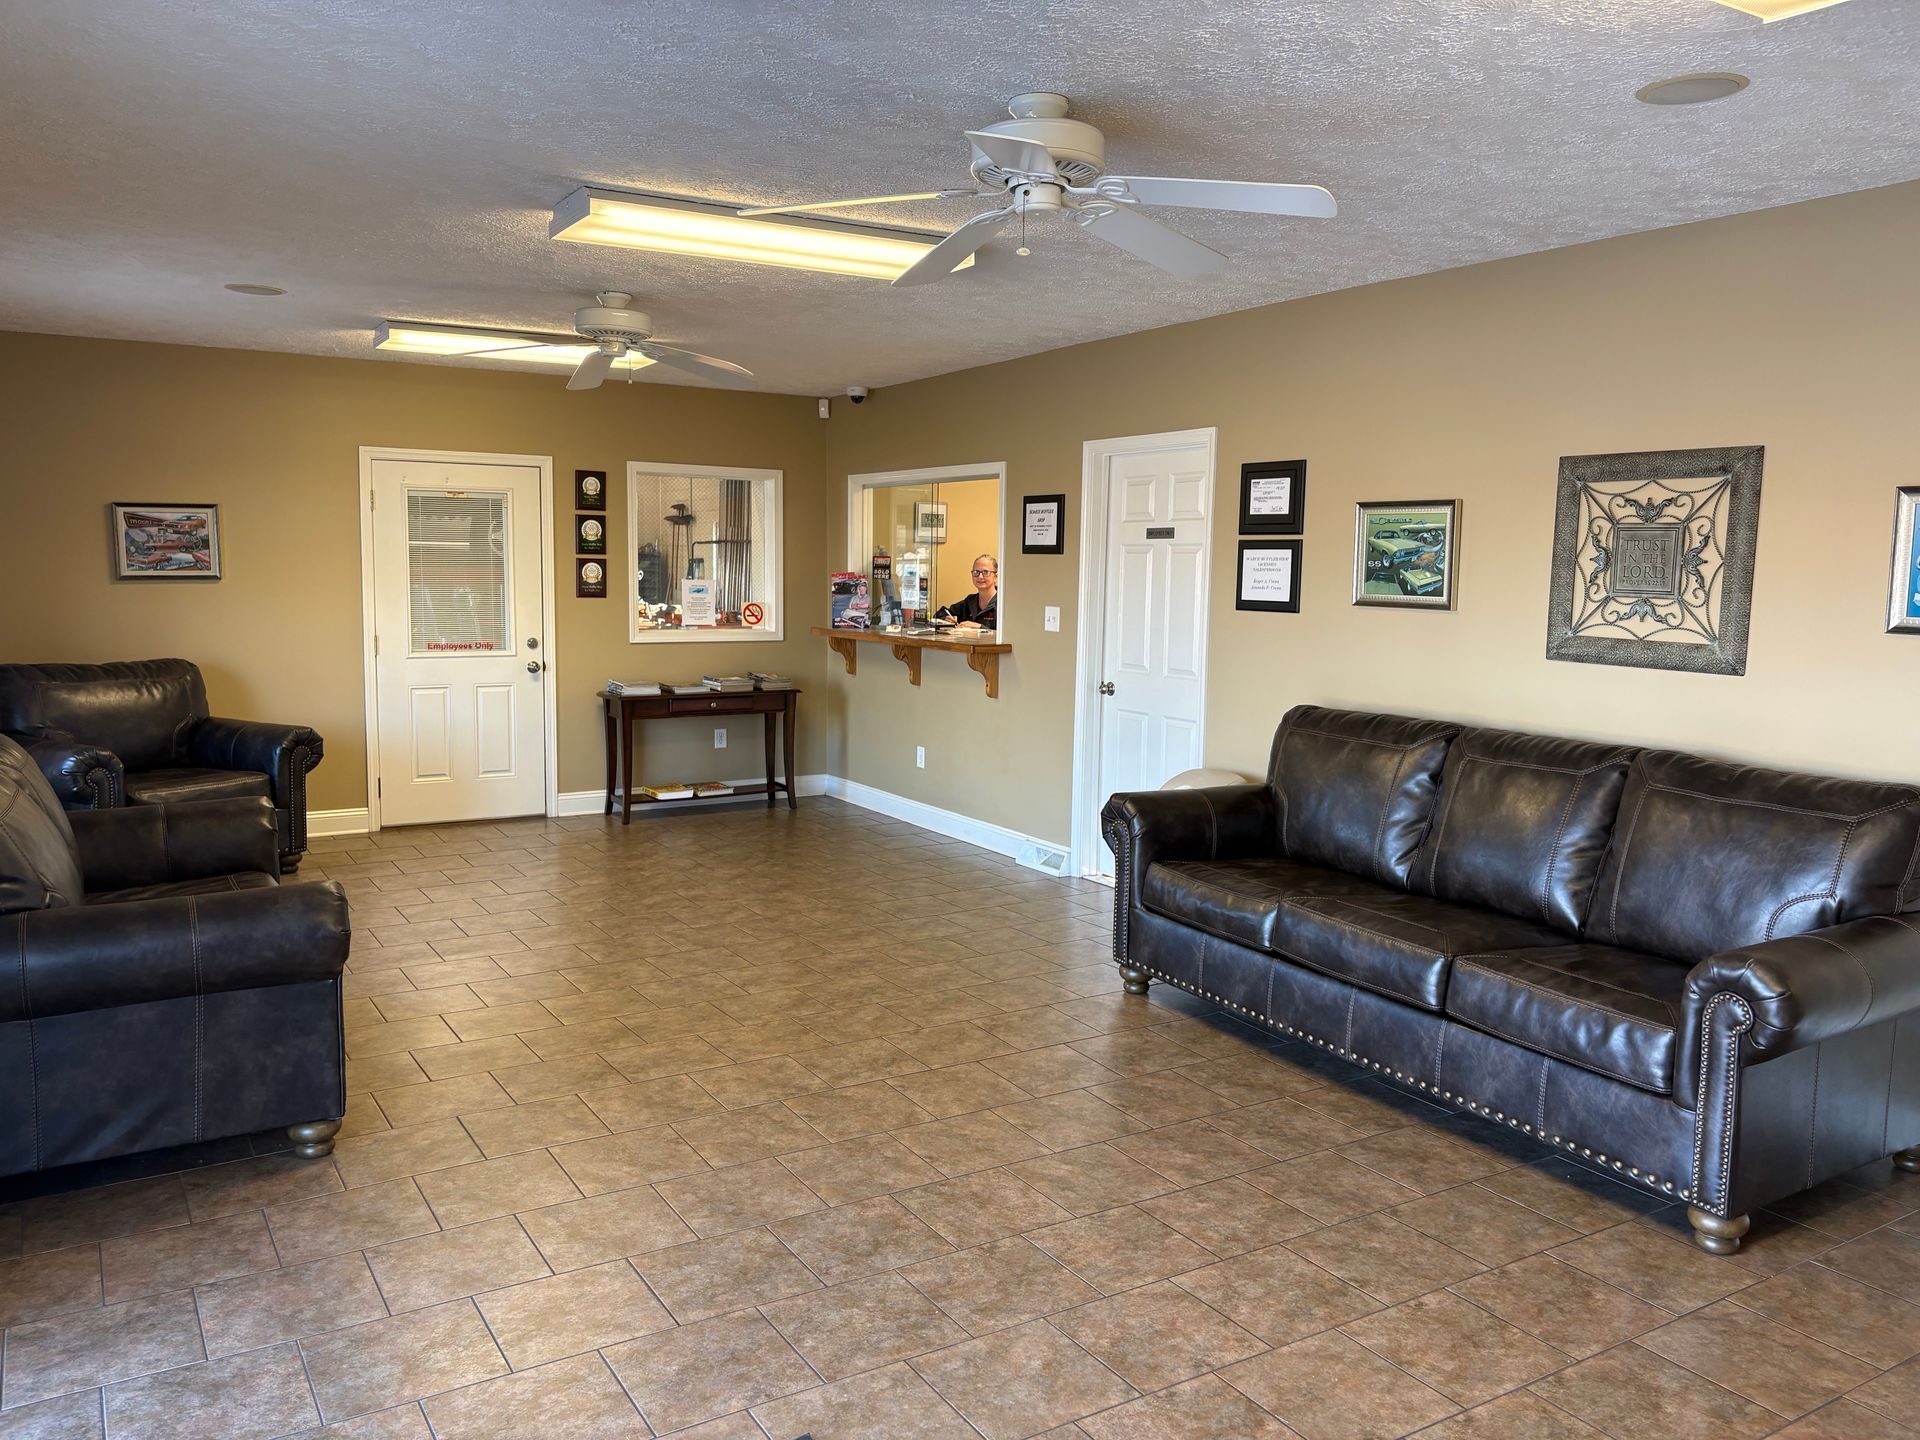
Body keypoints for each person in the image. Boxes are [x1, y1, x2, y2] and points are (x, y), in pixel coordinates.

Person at [937, 554, 999, 629]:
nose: (980, 576)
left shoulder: (1004, 604)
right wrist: (946, 619)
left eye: (985, 572)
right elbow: (940, 614)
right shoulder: (970, 601)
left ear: (996, 577)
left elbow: (1008, 633)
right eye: (976, 572)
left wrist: (980, 627)